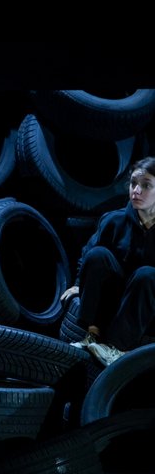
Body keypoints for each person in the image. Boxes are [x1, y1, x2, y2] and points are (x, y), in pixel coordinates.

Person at [61, 156, 155, 367]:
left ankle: (117, 349)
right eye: (133, 183)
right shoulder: (114, 219)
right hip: (114, 297)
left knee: (147, 274)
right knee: (98, 255)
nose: (136, 191)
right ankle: (91, 336)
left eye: (146, 185)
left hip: (146, 305)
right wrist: (78, 284)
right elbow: (89, 253)